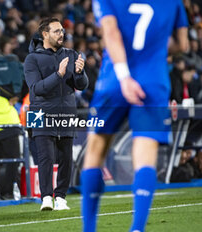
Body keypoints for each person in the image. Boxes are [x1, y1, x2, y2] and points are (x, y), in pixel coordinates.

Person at [81, 1, 188, 231]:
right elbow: (182, 44)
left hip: (113, 82)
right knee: (145, 157)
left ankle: (89, 229)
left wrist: (124, 75)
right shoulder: (173, 2)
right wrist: (155, 47)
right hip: (153, 82)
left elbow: (110, 32)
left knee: (94, 154)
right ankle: (137, 228)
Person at [24, 17, 88, 211]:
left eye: (62, 31)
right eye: (57, 31)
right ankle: (45, 197)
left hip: (66, 112)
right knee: (46, 157)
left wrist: (80, 73)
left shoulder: (70, 53)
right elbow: (36, 89)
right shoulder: (32, 58)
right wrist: (58, 75)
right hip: (39, 113)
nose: (62, 34)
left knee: (66, 158)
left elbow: (81, 86)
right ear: (45, 34)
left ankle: (60, 197)